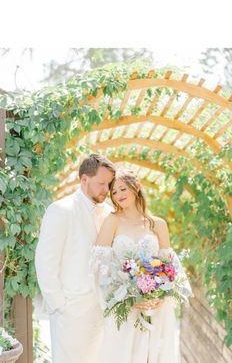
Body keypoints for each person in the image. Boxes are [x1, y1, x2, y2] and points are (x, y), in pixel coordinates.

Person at [93, 169, 193, 363]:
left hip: (154, 308)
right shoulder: (112, 221)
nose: (118, 195)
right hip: (124, 307)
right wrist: (124, 295)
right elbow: (99, 266)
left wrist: (160, 297)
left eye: (122, 189)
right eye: (113, 192)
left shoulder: (158, 224)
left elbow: (170, 267)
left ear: (136, 187)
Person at [35, 154, 115, 363]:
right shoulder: (61, 210)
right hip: (70, 311)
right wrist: (60, 305)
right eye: (101, 183)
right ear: (84, 180)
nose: (106, 190)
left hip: (101, 311)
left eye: (109, 184)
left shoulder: (110, 213)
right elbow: (45, 261)